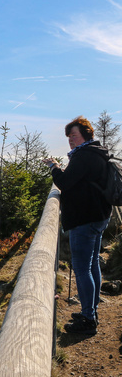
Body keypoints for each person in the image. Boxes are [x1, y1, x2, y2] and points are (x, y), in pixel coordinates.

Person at [48, 116, 112, 335]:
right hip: (98, 216)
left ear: (85, 134)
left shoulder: (83, 156)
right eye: (68, 137)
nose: (70, 140)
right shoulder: (97, 153)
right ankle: (91, 311)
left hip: (84, 219)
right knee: (92, 263)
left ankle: (87, 319)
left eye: (73, 135)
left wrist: (54, 167)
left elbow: (65, 182)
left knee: (83, 267)